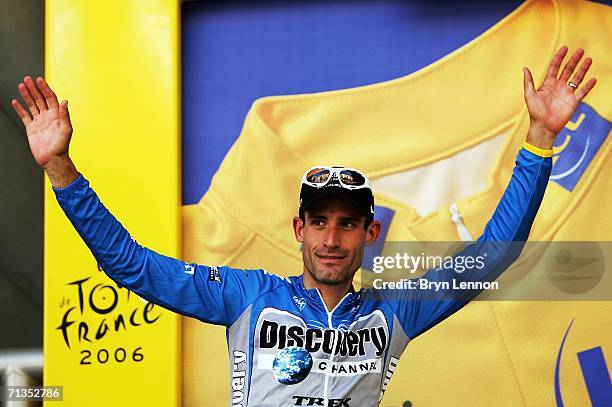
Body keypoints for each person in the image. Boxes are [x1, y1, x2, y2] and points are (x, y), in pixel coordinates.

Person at [11, 46, 596, 406]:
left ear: (371, 234)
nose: (330, 238)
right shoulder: (248, 297)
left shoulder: (395, 313)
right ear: (298, 227)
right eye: (318, 221)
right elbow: (130, 265)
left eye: (346, 225)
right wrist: (61, 167)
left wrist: (541, 139)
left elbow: (496, 253)